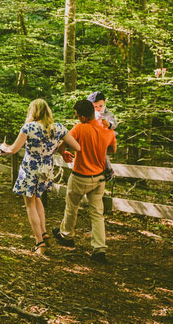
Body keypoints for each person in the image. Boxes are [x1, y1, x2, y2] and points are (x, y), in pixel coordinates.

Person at [0, 99, 80, 255]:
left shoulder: (28, 127)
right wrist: (57, 148)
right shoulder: (59, 128)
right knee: (38, 198)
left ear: (33, 111)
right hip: (47, 169)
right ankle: (44, 233)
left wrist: (2, 149)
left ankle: (39, 243)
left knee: (30, 203)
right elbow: (77, 147)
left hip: (30, 168)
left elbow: (13, 150)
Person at [53, 99, 117, 264]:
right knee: (97, 214)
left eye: (77, 115)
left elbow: (61, 144)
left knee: (72, 206)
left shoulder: (79, 128)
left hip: (80, 176)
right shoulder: (105, 128)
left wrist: (64, 153)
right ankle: (99, 249)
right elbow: (112, 149)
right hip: (99, 178)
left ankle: (66, 235)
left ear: (82, 116)